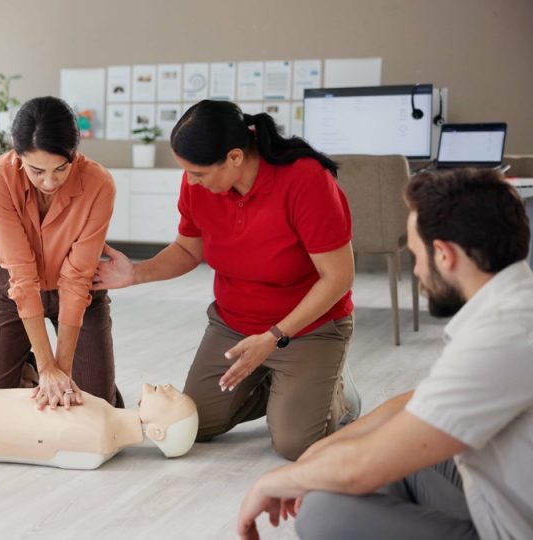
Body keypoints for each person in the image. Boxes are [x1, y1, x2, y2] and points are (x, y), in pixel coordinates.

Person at [236, 169, 533, 540]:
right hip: (507, 493)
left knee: (326, 513)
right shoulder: (514, 303)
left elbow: (360, 468)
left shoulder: (503, 337)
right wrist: (328, 447)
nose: (418, 270)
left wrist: (271, 482)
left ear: (444, 254)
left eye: (415, 254)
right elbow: (422, 403)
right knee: (373, 457)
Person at [94, 100, 358, 460]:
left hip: (307, 328)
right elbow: (189, 250)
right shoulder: (199, 185)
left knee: (296, 444)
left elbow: (338, 277)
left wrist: (274, 337)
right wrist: (136, 273)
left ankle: (336, 393)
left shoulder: (306, 180)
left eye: (198, 173)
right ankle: (289, 389)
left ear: (235, 157)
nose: (190, 181)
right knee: (193, 426)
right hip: (234, 325)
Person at [0, 96, 122, 412]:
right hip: (14, 293)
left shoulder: (99, 183)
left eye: (60, 169)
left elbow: (77, 277)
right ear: (18, 153)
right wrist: (45, 365)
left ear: (74, 154)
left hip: (81, 295)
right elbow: (21, 275)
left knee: (95, 408)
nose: (49, 182)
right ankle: (29, 365)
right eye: (37, 170)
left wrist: (60, 371)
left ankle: (57, 369)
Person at [0, 383, 197, 470]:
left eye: (173, 397)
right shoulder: (104, 419)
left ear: (158, 432)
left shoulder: (99, 439)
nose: (168, 386)